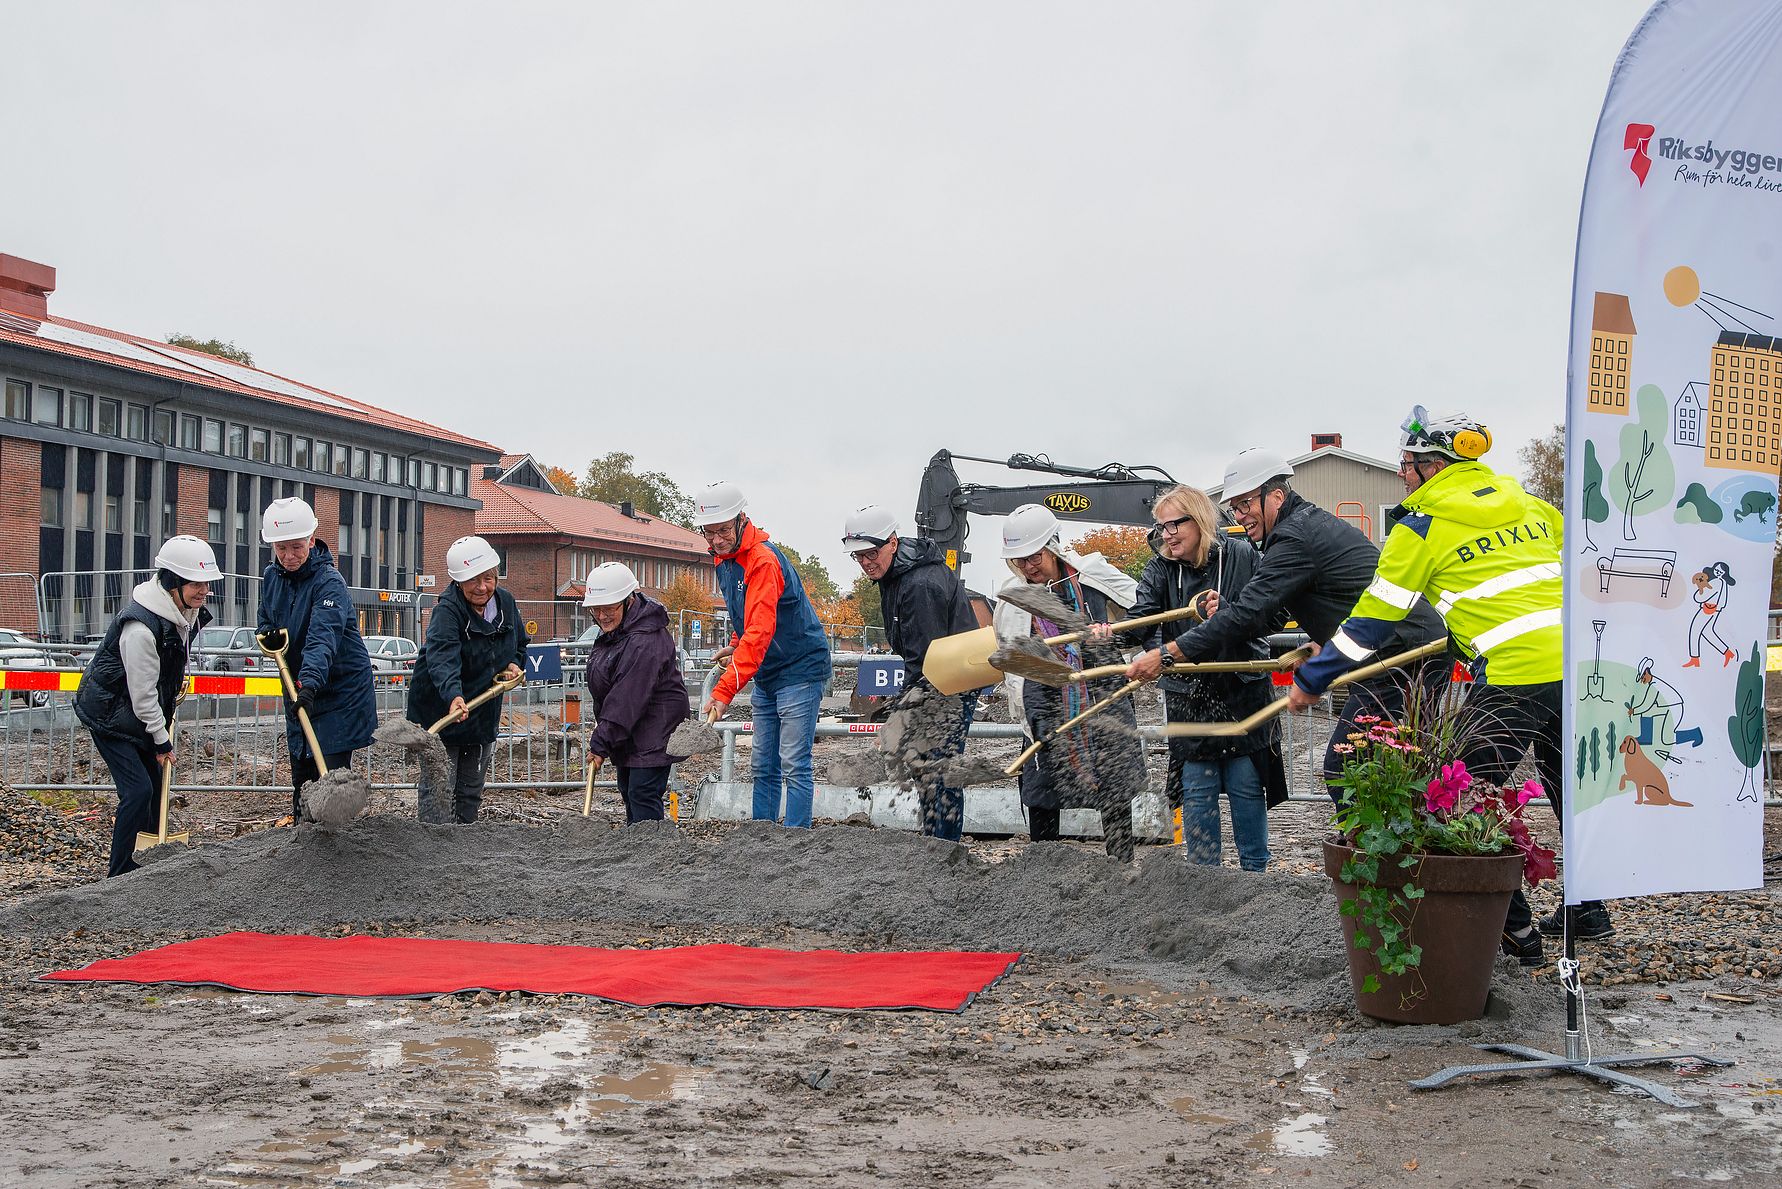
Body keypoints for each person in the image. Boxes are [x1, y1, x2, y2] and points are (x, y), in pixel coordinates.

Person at [1287, 406, 1608, 964]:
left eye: (1405, 466)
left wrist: (1313, 678)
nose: (1402, 476)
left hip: (1514, 673)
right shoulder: (1531, 505)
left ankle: (1516, 931)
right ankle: (1590, 906)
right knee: (1566, 788)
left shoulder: (1422, 525)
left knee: (1460, 797)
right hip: (1578, 665)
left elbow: (1372, 621)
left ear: (1430, 467)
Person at [1163, 447, 1448, 790]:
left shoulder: (1295, 536)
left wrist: (1170, 653)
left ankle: (1376, 840)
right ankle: (1391, 838)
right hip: (1398, 651)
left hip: (1404, 656)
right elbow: (1271, 615)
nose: (1240, 515)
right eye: (1235, 507)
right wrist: (1227, 611)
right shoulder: (1299, 529)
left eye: (1246, 504)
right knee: (1388, 767)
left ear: (1276, 496)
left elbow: (1250, 614)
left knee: (1346, 768)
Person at [1108, 485, 1279, 871]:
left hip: (1241, 690)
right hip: (1187, 693)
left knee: (1246, 788)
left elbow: (1268, 615)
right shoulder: (1160, 566)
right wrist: (1109, 633)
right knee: (1198, 792)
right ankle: (1204, 879)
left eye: (1175, 524)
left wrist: (1231, 610)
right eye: (1161, 527)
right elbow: (1142, 617)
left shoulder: (1240, 554)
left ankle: (1257, 877)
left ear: (1199, 520)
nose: (1167, 534)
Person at [999, 504, 1145, 862]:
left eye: (1034, 556)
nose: (1029, 566)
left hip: (1101, 695)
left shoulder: (1093, 576)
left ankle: (1121, 866)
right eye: (1021, 560)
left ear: (1053, 546)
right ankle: (1044, 872)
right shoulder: (1014, 598)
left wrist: (1111, 636)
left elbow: (1143, 615)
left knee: (1113, 785)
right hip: (1045, 700)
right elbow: (1009, 655)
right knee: (1043, 789)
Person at [75, 536, 222, 877]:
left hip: (135, 714)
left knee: (155, 791)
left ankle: (146, 862)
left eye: (207, 583)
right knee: (138, 790)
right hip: (110, 716)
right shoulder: (140, 628)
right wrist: (161, 739)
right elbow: (142, 693)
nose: (204, 591)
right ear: (172, 582)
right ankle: (120, 870)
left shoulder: (181, 613)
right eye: (196, 583)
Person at [694, 480, 832, 828]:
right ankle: (761, 838)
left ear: (742, 520)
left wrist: (723, 690)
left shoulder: (763, 561)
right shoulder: (724, 560)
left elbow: (761, 630)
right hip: (769, 670)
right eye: (709, 533)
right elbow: (750, 616)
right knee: (762, 763)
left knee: (793, 761)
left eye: (722, 530)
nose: (716, 539)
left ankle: (794, 840)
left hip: (800, 668)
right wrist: (737, 640)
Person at [844, 504, 979, 840]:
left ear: (892, 542)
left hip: (951, 680)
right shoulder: (895, 573)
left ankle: (943, 847)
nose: (865, 563)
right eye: (858, 557)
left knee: (938, 768)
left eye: (871, 553)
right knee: (925, 766)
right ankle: (936, 841)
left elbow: (925, 661)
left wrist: (899, 719)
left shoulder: (919, 584)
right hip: (939, 674)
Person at [257, 496, 377, 823]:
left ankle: (339, 846)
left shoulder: (329, 582)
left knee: (331, 773)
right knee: (303, 773)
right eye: (281, 549)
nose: (289, 556)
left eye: (296, 547)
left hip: (339, 692)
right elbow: (266, 618)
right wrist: (266, 632)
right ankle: (304, 840)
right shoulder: (272, 578)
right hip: (301, 689)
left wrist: (309, 682)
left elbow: (322, 637)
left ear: (312, 539)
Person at [404, 535, 529, 824]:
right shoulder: (448, 611)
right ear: (459, 582)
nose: (482, 587)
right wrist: (453, 696)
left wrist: (514, 663)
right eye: (473, 580)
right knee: (439, 788)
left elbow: (520, 643)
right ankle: (434, 843)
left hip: (481, 711)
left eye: (488, 578)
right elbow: (442, 657)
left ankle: (465, 842)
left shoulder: (506, 603)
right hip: (443, 710)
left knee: (470, 787)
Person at [582, 562, 691, 824]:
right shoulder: (619, 632)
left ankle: (651, 854)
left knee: (642, 793)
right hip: (631, 731)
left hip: (653, 729)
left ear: (628, 601)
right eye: (595, 610)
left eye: (608, 608)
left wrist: (601, 742)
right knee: (630, 791)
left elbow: (626, 698)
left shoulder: (644, 640)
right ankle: (636, 850)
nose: (602, 615)